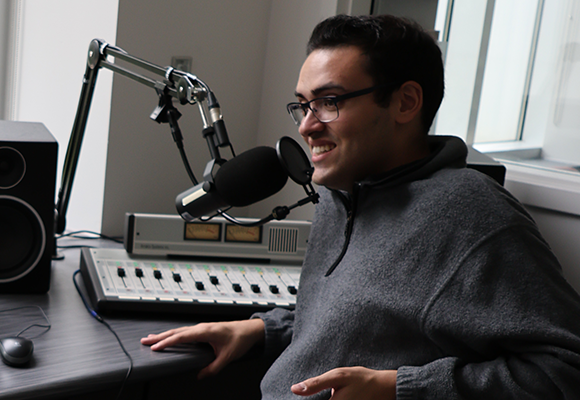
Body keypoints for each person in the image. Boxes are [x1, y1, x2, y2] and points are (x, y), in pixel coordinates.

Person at [142, 14, 580, 400]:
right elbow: (368, 322)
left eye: (329, 102)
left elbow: (564, 371)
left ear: (405, 102)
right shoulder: (344, 191)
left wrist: (399, 389)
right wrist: (263, 329)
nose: (307, 126)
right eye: (303, 104)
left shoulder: (470, 214)